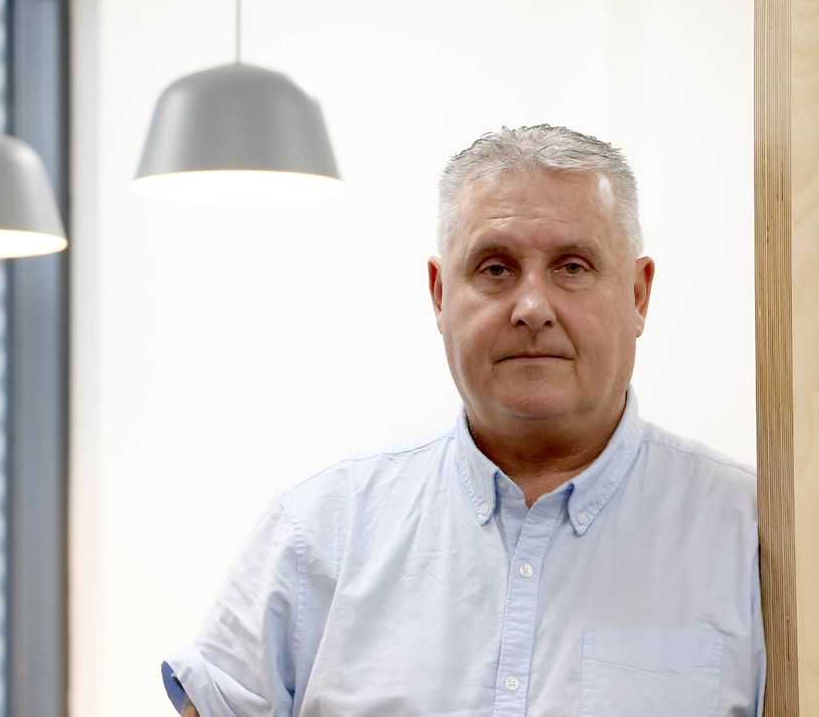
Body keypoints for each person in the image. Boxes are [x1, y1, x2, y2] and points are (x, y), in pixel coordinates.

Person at [161, 125, 764, 716]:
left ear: (638, 295)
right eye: (496, 268)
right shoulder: (316, 537)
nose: (532, 308)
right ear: (439, 293)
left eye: (573, 266)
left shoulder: (756, 540)